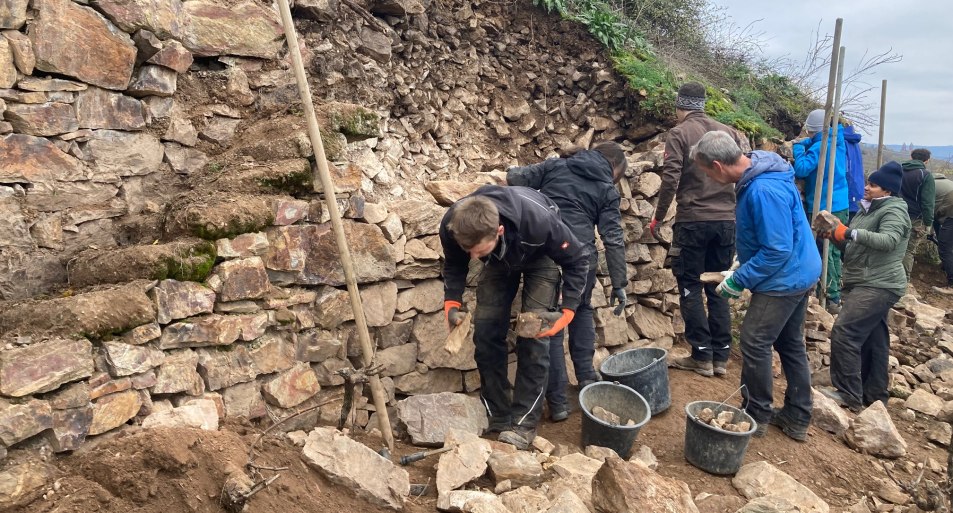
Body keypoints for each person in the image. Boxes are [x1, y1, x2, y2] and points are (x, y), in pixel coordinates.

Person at [692, 131, 821, 441]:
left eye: (706, 171)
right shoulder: (761, 170)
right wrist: (741, 261)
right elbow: (771, 235)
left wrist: (740, 279)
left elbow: (777, 249)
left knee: (754, 341)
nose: (707, 177)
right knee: (790, 343)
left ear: (719, 166)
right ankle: (796, 415)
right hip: (801, 268)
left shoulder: (763, 190)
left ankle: (756, 413)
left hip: (785, 278)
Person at [439, 185, 590, 450]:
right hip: (499, 260)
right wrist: (451, 303)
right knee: (485, 332)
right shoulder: (453, 225)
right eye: (469, 250)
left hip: (539, 255)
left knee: (533, 335)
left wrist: (567, 313)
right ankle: (499, 415)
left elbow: (577, 260)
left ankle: (523, 424)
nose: (473, 257)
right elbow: (454, 264)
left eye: (478, 252)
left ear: (498, 230)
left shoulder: (540, 222)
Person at [507, 142, 630, 422]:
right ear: (614, 166)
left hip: (546, 253)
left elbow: (515, 178)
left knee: (553, 325)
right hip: (581, 257)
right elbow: (613, 238)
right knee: (581, 310)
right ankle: (586, 378)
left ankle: (559, 403)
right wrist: (619, 283)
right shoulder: (606, 189)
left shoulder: (556, 165)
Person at [650, 82, 751, 378]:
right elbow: (744, 171)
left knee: (690, 286)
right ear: (703, 104)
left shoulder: (679, 133)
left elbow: (670, 179)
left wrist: (657, 217)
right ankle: (720, 356)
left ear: (679, 106)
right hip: (726, 222)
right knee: (717, 285)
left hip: (693, 220)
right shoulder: (729, 132)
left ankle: (701, 356)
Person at [817, 162, 911, 412]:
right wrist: (837, 239)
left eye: (873, 184)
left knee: (845, 331)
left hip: (878, 284)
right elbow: (855, 249)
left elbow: (889, 241)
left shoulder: (894, 211)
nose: (866, 187)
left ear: (887, 190)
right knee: (874, 340)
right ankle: (875, 395)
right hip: (871, 281)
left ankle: (848, 394)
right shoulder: (868, 210)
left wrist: (848, 232)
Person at [793, 109, 849, 309]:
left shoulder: (820, 147)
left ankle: (830, 295)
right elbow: (816, 143)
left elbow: (802, 168)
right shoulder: (836, 141)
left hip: (825, 205)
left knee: (825, 249)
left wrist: (798, 149)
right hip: (840, 202)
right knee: (833, 250)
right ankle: (834, 294)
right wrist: (808, 142)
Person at [900, 148, 936, 281]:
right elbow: (928, 202)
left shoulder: (898, 171)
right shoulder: (925, 175)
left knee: (893, 246)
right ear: (927, 160)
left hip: (894, 213)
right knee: (908, 250)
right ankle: (903, 281)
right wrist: (928, 223)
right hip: (914, 218)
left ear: (911, 157)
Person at [931, 172, 953, 294]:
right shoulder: (949, 183)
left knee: (944, 247)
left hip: (951, 217)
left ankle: (952, 285)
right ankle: (946, 266)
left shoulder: (931, 184)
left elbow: (937, 209)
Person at [841, 122, 866, 223]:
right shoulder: (854, 143)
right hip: (858, 191)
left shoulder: (841, 142)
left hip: (849, 192)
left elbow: (846, 170)